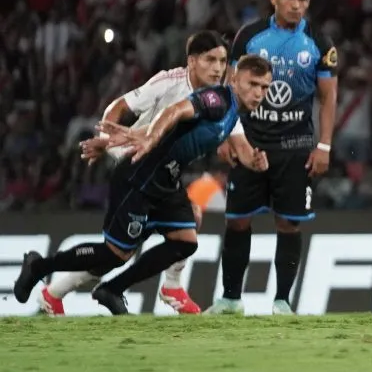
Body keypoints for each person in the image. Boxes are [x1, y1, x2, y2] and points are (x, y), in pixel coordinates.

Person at [13, 54, 274, 315]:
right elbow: (174, 111)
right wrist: (150, 140)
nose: (259, 93)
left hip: (166, 180)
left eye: (264, 87)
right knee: (114, 254)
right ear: (236, 79)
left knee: (185, 241)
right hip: (141, 175)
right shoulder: (217, 100)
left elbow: (243, 152)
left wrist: (257, 162)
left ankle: (113, 289)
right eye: (253, 84)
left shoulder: (233, 114)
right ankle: (39, 267)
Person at [207, 0, 339, 316]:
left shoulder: (319, 42)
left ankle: (282, 301)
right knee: (236, 219)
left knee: (288, 222)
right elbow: (229, 88)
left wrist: (324, 146)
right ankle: (231, 299)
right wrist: (225, 135)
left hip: (295, 146)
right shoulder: (249, 37)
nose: (297, 5)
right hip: (250, 143)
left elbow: (328, 97)